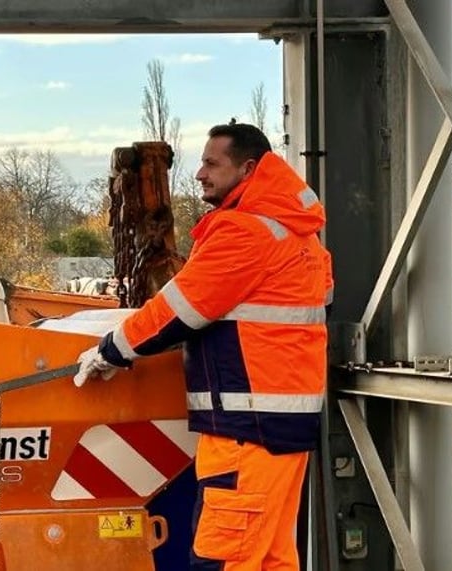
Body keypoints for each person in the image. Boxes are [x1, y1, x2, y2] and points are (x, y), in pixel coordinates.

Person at [73, 122, 333, 570]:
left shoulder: (245, 233)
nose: (199, 174)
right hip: (282, 430)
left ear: (248, 169)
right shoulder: (300, 238)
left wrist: (109, 351)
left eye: (212, 164)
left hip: (245, 432)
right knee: (271, 559)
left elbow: (177, 310)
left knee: (224, 559)